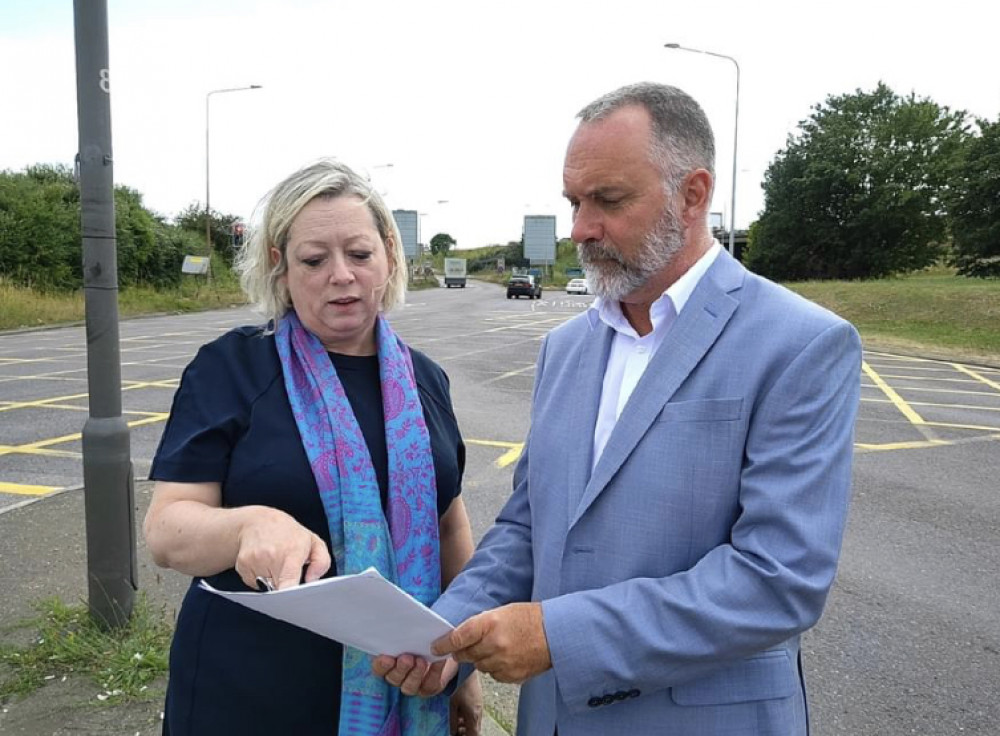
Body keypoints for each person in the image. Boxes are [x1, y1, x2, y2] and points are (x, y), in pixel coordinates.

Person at [373, 82, 862, 735]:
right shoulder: (565, 349)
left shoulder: (800, 344)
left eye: (607, 201)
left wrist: (558, 635)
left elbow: (777, 580)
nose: (579, 229)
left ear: (693, 195)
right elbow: (527, 526)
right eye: (574, 202)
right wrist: (445, 636)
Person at [144, 158, 482, 736]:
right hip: (246, 693)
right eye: (314, 259)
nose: (342, 276)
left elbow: (449, 526)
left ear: (389, 258)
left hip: (409, 687)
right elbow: (166, 532)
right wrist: (246, 526)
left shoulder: (425, 379)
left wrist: (466, 672)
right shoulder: (232, 368)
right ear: (280, 267)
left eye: (359, 254)